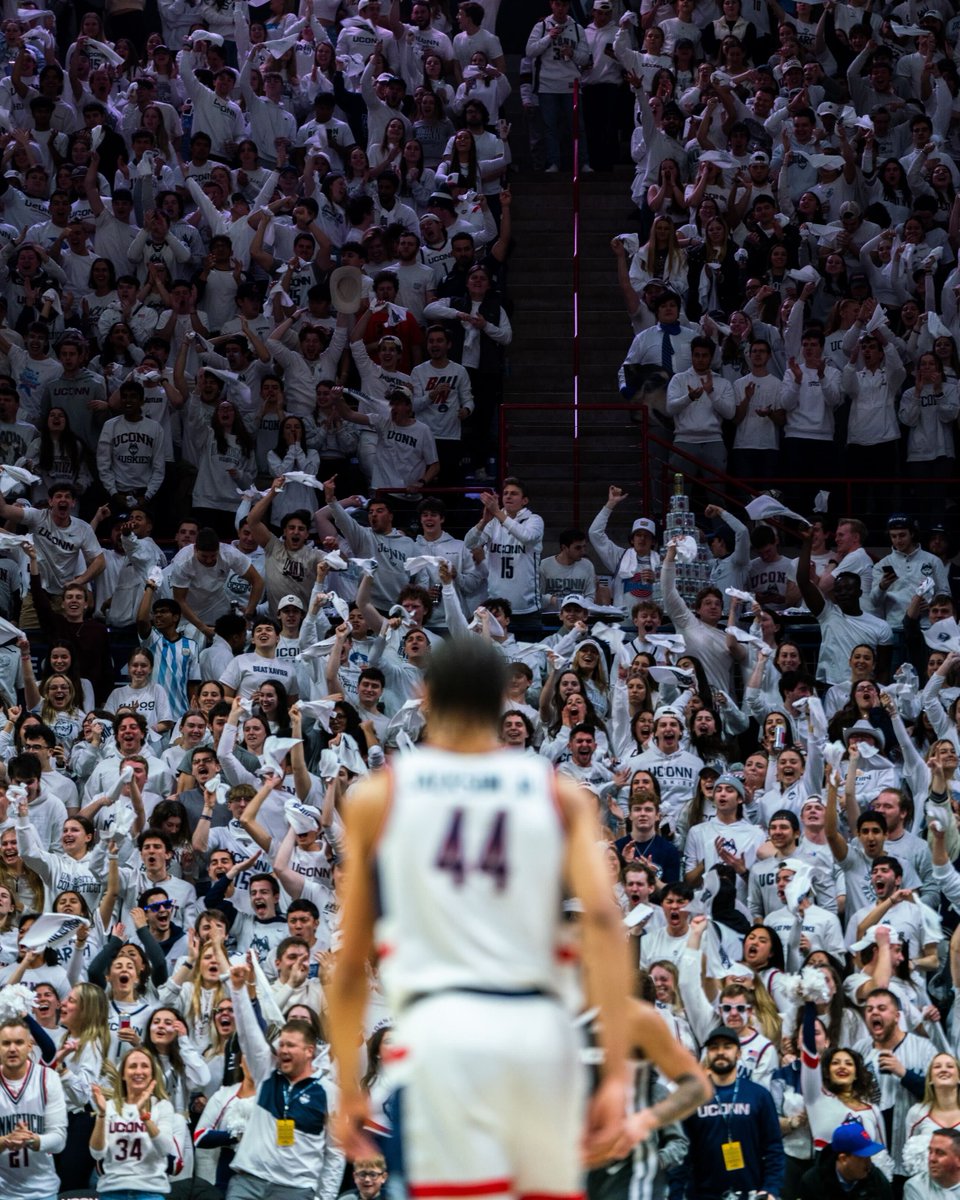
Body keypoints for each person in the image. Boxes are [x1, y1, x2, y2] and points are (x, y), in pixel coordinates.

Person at [328, 637, 634, 1190]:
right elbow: (606, 926)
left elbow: (352, 960)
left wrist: (349, 1086)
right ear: (503, 702)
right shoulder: (557, 794)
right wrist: (614, 1074)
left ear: (424, 695)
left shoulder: (380, 796)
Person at [681, 1024, 785, 1200]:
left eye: (727, 1046)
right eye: (714, 1047)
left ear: (739, 1053)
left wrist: (771, 1188)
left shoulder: (759, 1095)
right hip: (703, 1194)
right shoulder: (692, 1098)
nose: (720, 1052)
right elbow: (682, 1152)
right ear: (707, 1054)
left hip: (751, 1192)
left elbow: (773, 1147)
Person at [0, 1017, 67, 1200]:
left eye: (19, 1042)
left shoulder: (48, 1078)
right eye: (6, 1043)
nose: (12, 1049)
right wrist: (6, 1141)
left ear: (30, 1046)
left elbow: (59, 1140)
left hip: (43, 1190)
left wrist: (32, 1140)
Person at [798, 1124, 894, 1200]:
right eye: (862, 1158)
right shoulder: (813, 1182)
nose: (868, 1163)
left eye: (869, 1156)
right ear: (843, 1159)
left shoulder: (877, 1181)